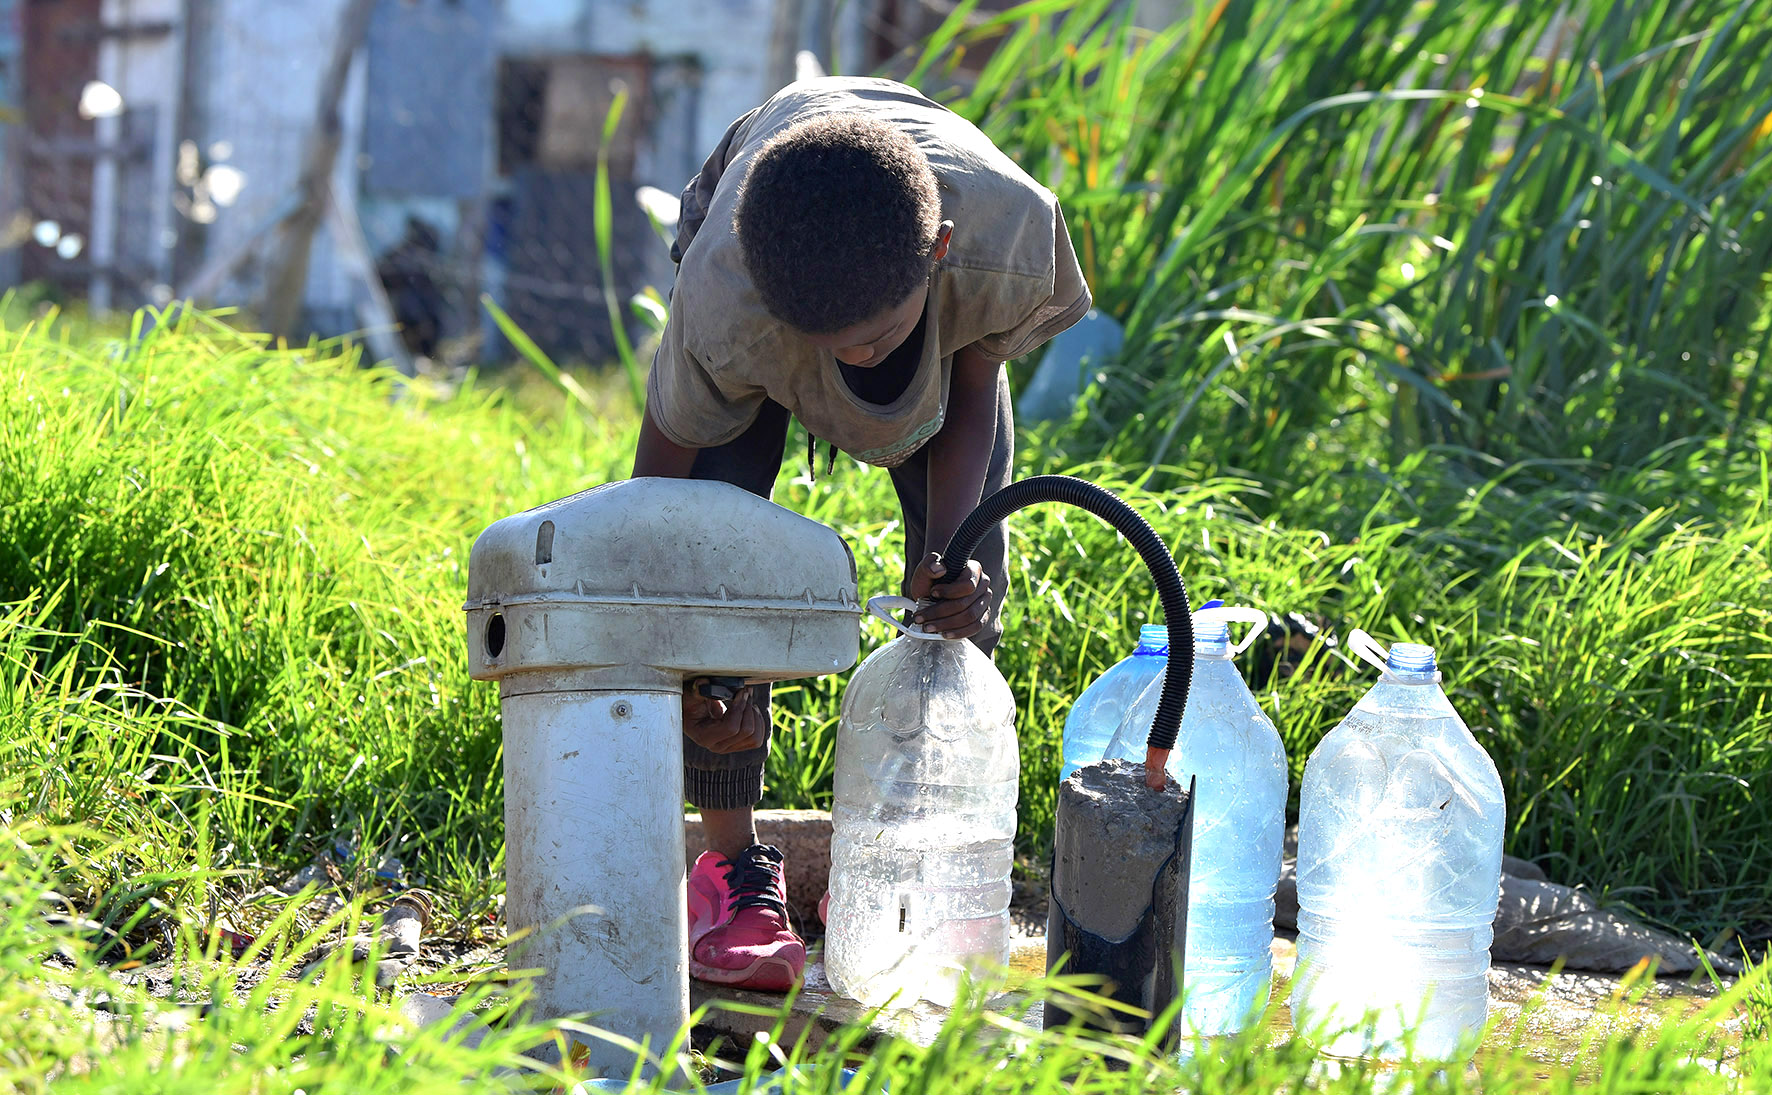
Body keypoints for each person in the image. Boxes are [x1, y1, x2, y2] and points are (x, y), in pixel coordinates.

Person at [631, 76, 1090, 991]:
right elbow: (660, 506)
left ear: (940, 255)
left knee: (963, 597)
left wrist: (950, 557)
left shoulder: (1005, 245)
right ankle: (732, 874)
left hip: (928, 268)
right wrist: (677, 646)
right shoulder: (730, 304)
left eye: (875, 337)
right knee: (715, 572)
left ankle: (902, 870)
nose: (853, 357)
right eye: (830, 342)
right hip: (754, 202)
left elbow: (973, 377)